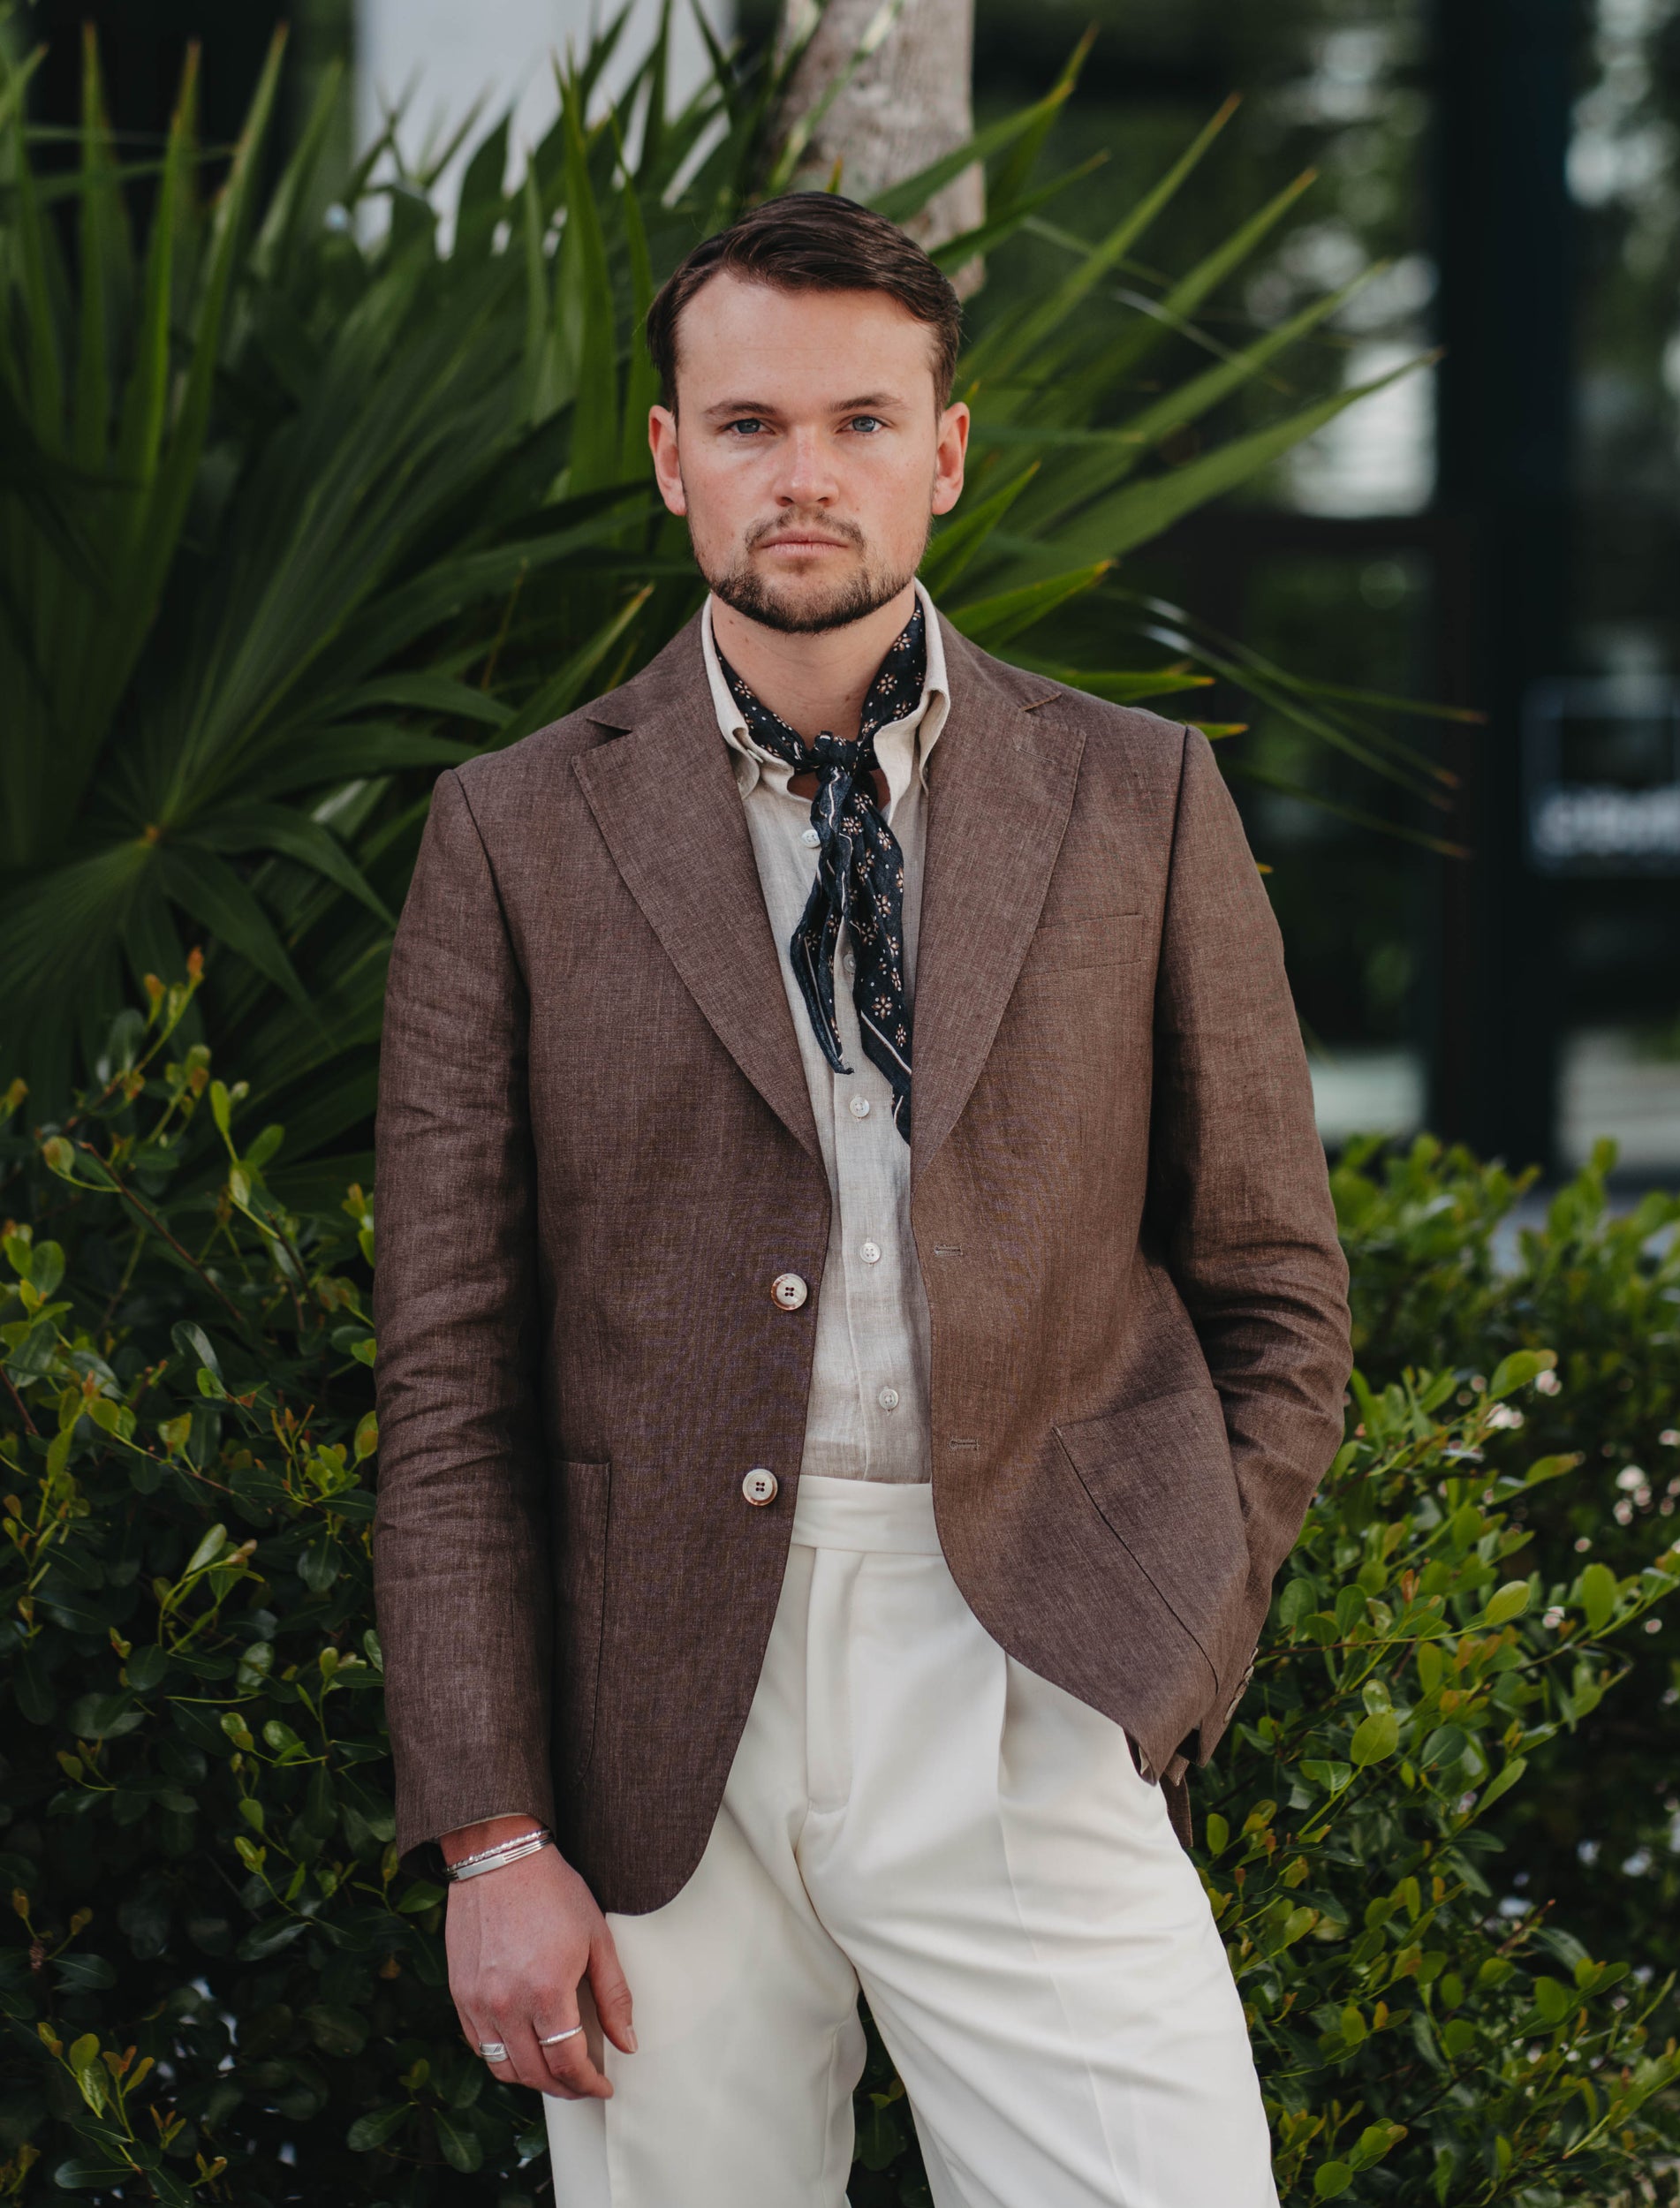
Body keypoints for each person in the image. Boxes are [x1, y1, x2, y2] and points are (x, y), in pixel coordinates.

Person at [371, 190, 1352, 2208]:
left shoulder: (1139, 798)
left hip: (1024, 1671)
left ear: (946, 450)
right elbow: (450, 1376)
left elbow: (1275, 1288)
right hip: (653, 1722)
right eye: (745, 425)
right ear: (668, 457)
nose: (801, 474)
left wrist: (1174, 1619)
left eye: (858, 422)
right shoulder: (513, 833)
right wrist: (487, 1829)